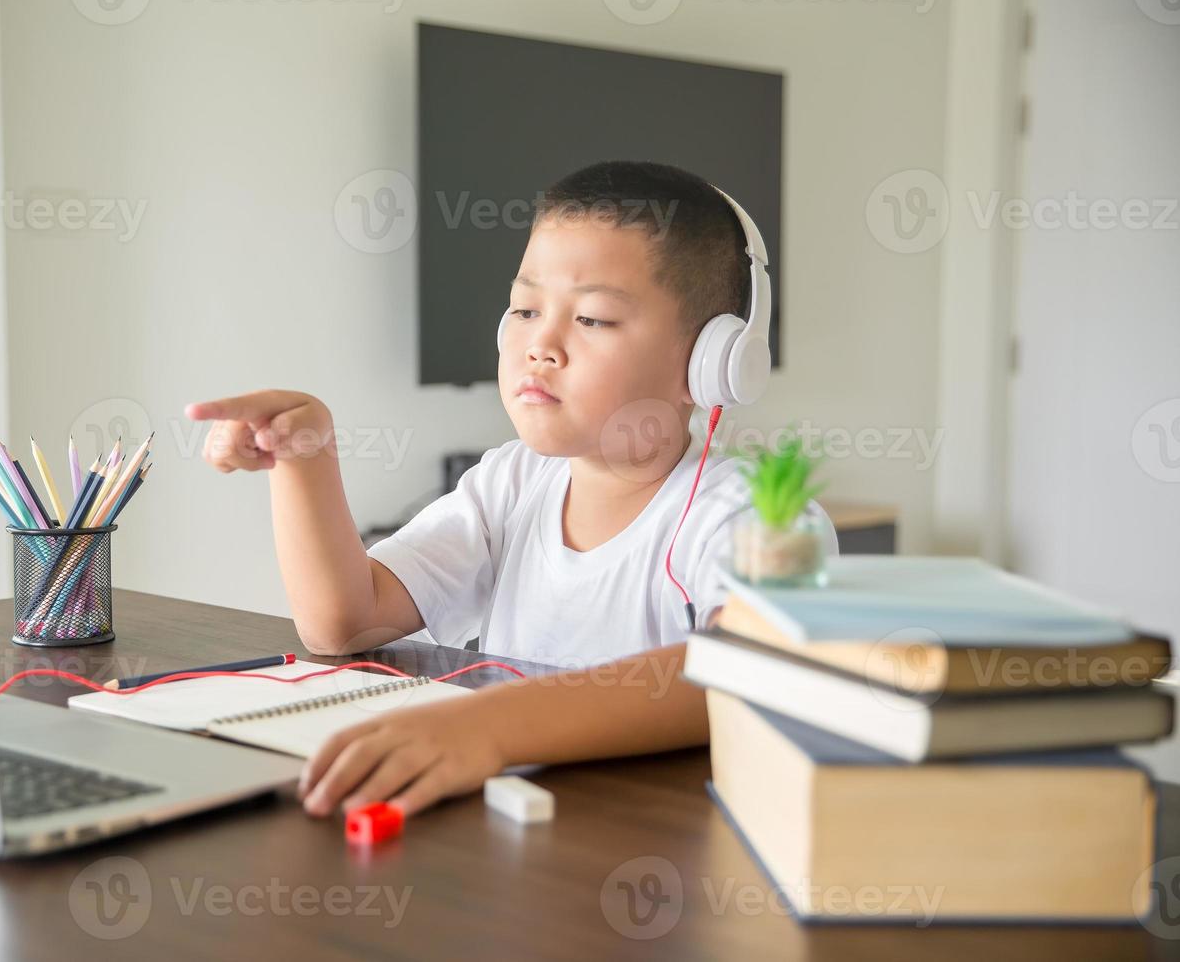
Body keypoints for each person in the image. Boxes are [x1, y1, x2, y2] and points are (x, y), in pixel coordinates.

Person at [185, 160, 835, 817]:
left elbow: (738, 679)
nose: (540, 345)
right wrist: (306, 460)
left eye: (594, 319)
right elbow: (344, 623)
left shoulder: (751, 520)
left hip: (658, 854)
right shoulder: (512, 482)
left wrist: (487, 727)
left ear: (713, 360)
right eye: (525, 309)